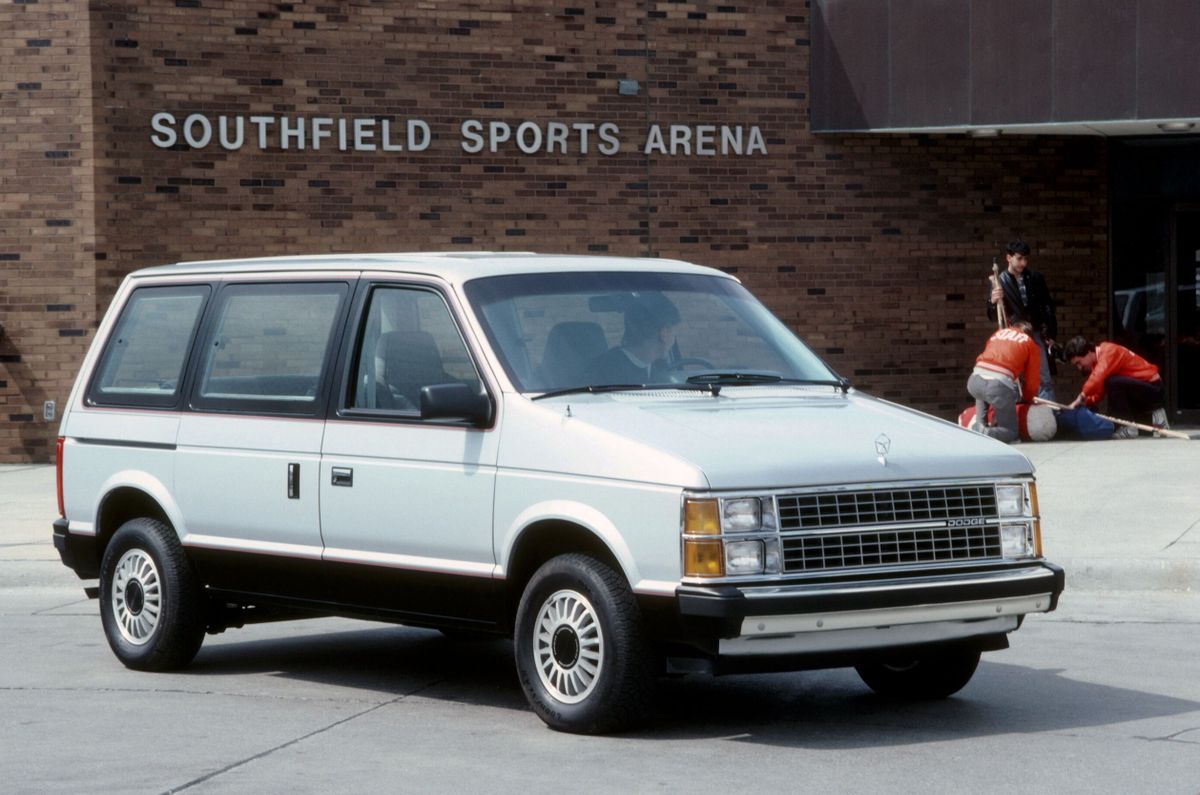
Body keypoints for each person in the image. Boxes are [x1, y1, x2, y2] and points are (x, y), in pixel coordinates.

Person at [987, 240, 1058, 400]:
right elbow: (993, 315)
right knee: (1014, 377)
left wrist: (1051, 334)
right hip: (1015, 334)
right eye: (1019, 259)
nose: (1023, 263)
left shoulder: (1035, 278)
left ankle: (1049, 415)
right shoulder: (1000, 280)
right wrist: (992, 301)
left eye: (1026, 259)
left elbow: (1047, 306)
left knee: (1043, 376)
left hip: (1036, 332)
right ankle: (1019, 414)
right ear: (1009, 258)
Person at [1063, 336, 1167, 438]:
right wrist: (1085, 402)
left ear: (1089, 353)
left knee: (1112, 382)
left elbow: (1097, 378)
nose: (1079, 367)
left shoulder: (1108, 351)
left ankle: (1132, 424)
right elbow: (1098, 391)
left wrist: (1080, 397)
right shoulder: (1100, 362)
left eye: (1079, 362)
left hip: (1154, 389)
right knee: (1145, 433)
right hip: (1143, 393)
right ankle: (1155, 417)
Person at [966, 321, 1042, 443]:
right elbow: (1032, 381)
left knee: (984, 390)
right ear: (1029, 334)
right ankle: (983, 432)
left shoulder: (998, 333)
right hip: (997, 386)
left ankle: (979, 426)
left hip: (974, 380)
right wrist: (1028, 399)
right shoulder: (1030, 344)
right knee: (1011, 432)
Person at [588, 293, 681, 384]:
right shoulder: (606, 372)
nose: (673, 341)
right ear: (664, 334)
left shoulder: (658, 367)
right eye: (674, 333)